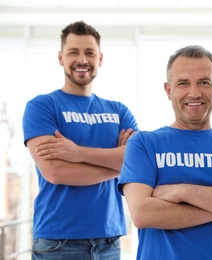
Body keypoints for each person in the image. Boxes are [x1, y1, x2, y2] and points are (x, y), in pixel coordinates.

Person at [117, 45, 212, 260]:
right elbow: (142, 213)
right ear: (169, 90)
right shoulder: (144, 144)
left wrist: (182, 192)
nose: (194, 92)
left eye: (204, 82)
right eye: (183, 83)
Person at [22, 20, 139, 260]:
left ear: (100, 59)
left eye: (89, 53)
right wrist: (118, 166)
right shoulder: (42, 107)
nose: (82, 59)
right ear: (60, 57)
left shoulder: (119, 111)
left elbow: (138, 161)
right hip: (57, 242)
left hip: (109, 240)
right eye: (73, 52)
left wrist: (78, 153)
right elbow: (55, 172)